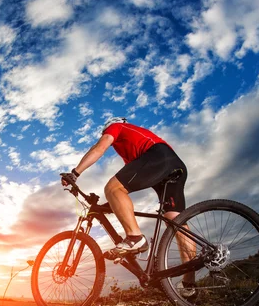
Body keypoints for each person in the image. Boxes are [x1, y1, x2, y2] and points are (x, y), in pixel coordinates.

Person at [61, 117, 196, 295]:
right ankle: (189, 286)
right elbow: (128, 185)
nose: (105, 136)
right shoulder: (132, 152)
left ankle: (135, 237)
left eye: (104, 133)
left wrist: (75, 173)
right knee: (175, 222)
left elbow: (99, 148)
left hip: (158, 156)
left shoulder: (117, 127)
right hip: (173, 165)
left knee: (111, 187)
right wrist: (112, 204)